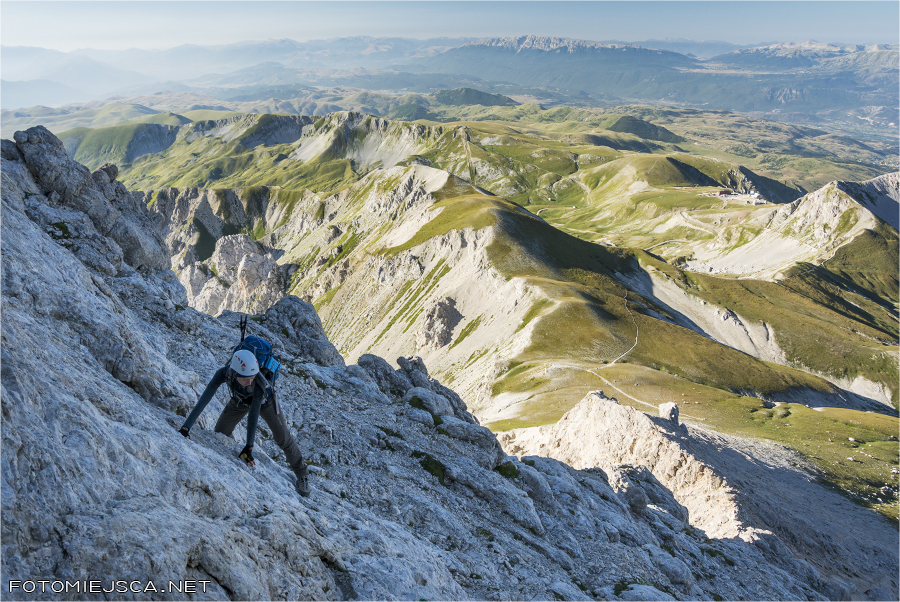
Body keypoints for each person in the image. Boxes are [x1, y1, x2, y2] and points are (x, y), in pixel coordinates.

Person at [178, 349, 310, 497]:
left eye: (252, 377)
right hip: (240, 398)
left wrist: (249, 447)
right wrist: (186, 427)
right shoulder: (224, 373)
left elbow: (253, 414)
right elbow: (205, 397)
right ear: (234, 373)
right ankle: (233, 452)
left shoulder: (258, 383)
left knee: (283, 438)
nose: (250, 381)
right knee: (221, 431)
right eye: (246, 378)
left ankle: (302, 474)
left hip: (266, 402)